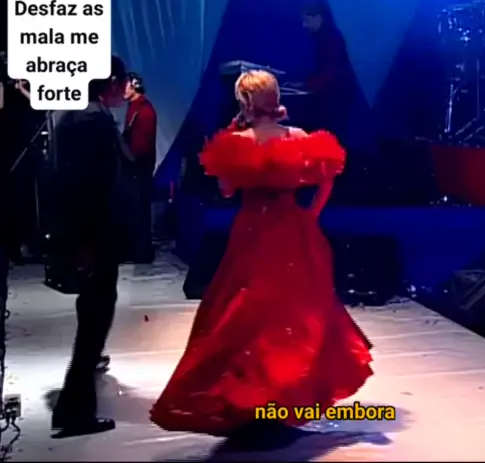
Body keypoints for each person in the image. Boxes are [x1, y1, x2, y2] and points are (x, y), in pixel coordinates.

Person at [150, 70, 373, 444]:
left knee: (245, 313)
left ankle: (252, 401)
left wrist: (233, 134)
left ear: (244, 102)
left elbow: (225, 190)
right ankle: (280, 399)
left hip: (254, 230)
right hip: (294, 230)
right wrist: (311, 215)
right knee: (295, 314)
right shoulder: (298, 137)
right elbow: (328, 176)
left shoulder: (236, 142)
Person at [50, 55, 132, 439]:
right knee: (94, 320)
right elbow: (88, 187)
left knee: (93, 318)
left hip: (88, 232)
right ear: (111, 81)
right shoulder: (92, 120)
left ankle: (73, 407)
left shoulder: (76, 115)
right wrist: (86, 241)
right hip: (94, 234)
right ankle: (74, 411)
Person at [289, 4, 354, 137]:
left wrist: (307, 85)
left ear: (318, 18)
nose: (304, 25)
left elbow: (330, 70)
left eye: (307, 20)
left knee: (332, 131)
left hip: (335, 95)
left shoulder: (331, 39)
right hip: (332, 92)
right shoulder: (324, 37)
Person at [121, 72, 157, 263]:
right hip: (134, 167)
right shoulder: (134, 108)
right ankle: (135, 250)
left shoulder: (144, 110)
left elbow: (142, 145)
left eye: (125, 85)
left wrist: (130, 160)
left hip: (139, 168)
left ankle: (141, 252)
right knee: (134, 209)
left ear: (135, 85)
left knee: (139, 210)